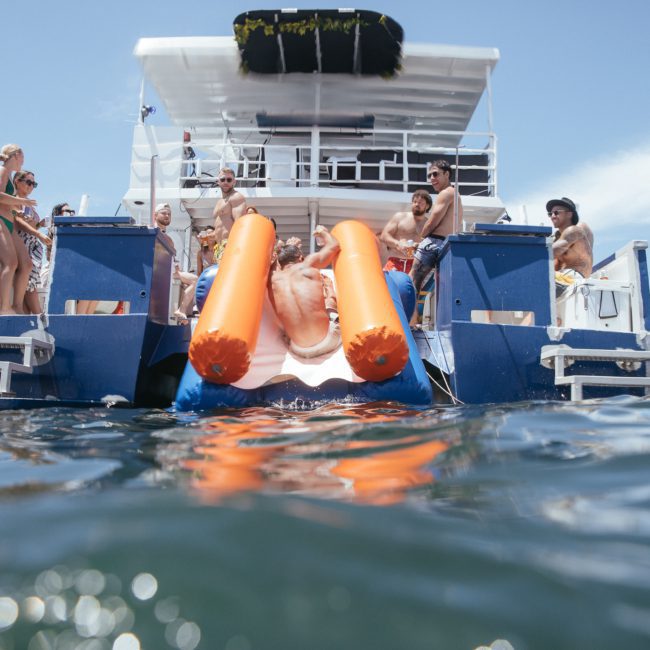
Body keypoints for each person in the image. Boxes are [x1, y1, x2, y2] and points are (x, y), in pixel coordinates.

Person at [269, 226, 341, 359]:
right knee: (327, 284)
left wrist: (285, 248)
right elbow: (334, 245)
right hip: (328, 340)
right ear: (301, 257)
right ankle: (333, 315)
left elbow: (274, 265)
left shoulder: (272, 279)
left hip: (299, 349)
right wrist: (323, 232)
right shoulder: (308, 264)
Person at [409, 160, 463, 324]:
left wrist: (423, 235)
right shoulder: (456, 194)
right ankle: (429, 321)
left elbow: (433, 221)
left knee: (412, 281)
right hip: (446, 247)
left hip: (433, 243)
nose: (432, 178)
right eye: (429, 175)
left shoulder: (446, 193)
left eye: (435, 174)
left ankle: (410, 322)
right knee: (439, 288)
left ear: (447, 174)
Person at [0, 144, 37, 314]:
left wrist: (20, 212)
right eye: (22, 158)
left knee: (26, 264)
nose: (23, 162)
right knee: (11, 263)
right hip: (1, 221)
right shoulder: (2, 171)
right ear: (15, 155)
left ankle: (17, 306)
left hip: (8, 222)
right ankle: (4, 307)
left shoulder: (7, 175)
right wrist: (24, 202)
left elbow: (9, 203)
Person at [13, 171, 52, 314]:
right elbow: (18, 222)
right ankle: (39, 315)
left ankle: (31, 318)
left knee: (31, 283)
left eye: (34, 184)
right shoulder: (15, 200)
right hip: (22, 245)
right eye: (29, 182)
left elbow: (30, 225)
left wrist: (39, 224)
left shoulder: (29, 204)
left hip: (31, 246)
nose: (31, 186)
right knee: (30, 283)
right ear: (17, 181)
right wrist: (37, 233)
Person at [154, 203, 197, 322]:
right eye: (163, 213)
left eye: (169, 214)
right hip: (158, 270)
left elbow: (171, 256)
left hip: (169, 270)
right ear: (155, 215)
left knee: (195, 279)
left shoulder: (167, 237)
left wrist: (176, 265)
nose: (167, 216)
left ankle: (181, 310)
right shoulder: (152, 232)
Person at [546, 197, 594, 295]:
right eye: (550, 214)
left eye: (556, 212)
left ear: (569, 214)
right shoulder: (558, 237)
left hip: (574, 279)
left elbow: (548, 253)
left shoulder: (574, 231)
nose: (552, 216)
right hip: (563, 280)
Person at [380, 189, 432, 273]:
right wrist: (398, 244)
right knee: (387, 285)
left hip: (415, 266)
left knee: (413, 286)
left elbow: (431, 247)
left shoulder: (429, 225)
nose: (416, 204)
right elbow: (384, 236)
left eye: (420, 203)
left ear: (427, 206)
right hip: (394, 262)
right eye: (415, 202)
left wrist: (418, 246)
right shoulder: (400, 217)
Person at [212, 167, 246, 242]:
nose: (226, 182)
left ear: (234, 182)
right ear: (218, 182)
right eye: (222, 179)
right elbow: (220, 227)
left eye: (229, 180)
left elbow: (239, 224)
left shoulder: (236, 197)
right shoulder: (219, 202)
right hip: (218, 247)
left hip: (230, 245)